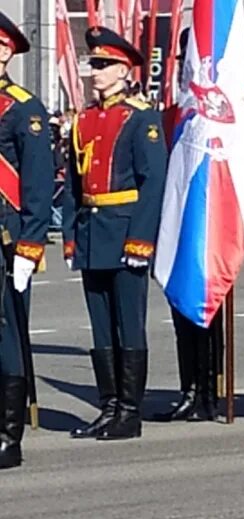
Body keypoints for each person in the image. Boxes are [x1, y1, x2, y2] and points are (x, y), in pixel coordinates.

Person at [63, 26, 167, 440]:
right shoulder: (84, 119)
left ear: (125, 70)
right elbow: (74, 182)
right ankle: (108, 405)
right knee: (101, 326)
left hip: (125, 232)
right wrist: (71, 235)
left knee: (129, 323)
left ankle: (129, 410)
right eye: (95, 63)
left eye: (104, 65)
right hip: (92, 231)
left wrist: (141, 239)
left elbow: (152, 182)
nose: (96, 71)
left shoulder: (141, 118)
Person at [152, 27, 224, 423]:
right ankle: (189, 389)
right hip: (176, 224)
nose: (186, 69)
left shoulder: (220, 116)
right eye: (183, 62)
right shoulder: (171, 116)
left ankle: (210, 392)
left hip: (210, 225)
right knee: (181, 311)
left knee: (207, 314)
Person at [0, 12, 54, 469]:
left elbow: (36, 184)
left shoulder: (24, 109)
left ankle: (7, 434)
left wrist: (30, 244)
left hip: (7, 236)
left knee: (7, 332)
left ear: (3, 52)